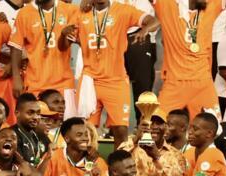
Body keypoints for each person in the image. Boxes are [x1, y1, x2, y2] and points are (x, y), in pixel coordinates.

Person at [59, 0, 159, 149]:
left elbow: (154, 20)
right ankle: (89, 167)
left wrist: (144, 30)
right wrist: (63, 35)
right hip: (89, 81)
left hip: (116, 80)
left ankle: (117, 166)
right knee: (87, 130)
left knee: (120, 129)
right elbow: (63, 46)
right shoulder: (80, 14)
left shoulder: (123, 10)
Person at [153, 0, 224, 120]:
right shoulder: (167, 6)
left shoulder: (210, 7)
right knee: (156, 127)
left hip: (204, 83)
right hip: (175, 82)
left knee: (213, 130)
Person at [9, 0, 78, 120]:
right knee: (36, 125)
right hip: (35, 82)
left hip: (63, 81)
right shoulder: (24, 13)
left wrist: (63, 36)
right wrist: (16, 78)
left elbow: (66, 45)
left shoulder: (70, 10)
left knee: (67, 126)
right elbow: (16, 47)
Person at [119, 0, 156, 123]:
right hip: (114, 35)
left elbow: (157, 19)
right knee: (114, 84)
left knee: (142, 85)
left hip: (141, 34)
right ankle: (116, 124)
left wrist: (145, 30)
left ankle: (144, 124)